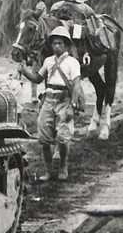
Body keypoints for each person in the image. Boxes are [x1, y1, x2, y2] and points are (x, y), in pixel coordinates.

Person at [18, 26, 84, 181]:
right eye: (54, 43)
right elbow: (38, 79)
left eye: (60, 43)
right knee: (44, 138)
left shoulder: (73, 63)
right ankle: (48, 171)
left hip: (64, 100)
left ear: (66, 45)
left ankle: (63, 166)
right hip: (48, 100)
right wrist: (24, 71)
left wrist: (72, 106)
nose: (57, 46)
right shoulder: (48, 61)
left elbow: (76, 85)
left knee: (63, 137)